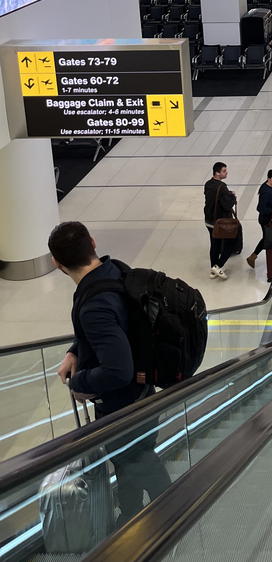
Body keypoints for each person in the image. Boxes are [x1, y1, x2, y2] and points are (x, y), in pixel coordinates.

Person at [49, 221, 171, 521]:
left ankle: (171, 513)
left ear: (57, 264)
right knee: (127, 461)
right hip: (143, 395)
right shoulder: (114, 270)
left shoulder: (94, 306)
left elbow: (118, 370)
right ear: (92, 242)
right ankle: (129, 513)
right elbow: (116, 326)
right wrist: (74, 351)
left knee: (138, 461)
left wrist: (80, 381)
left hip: (123, 406)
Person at [246, 169, 272, 271]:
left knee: (267, 237)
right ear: (268, 179)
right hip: (266, 219)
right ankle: (254, 256)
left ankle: (254, 256)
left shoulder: (269, 186)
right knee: (267, 238)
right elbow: (260, 208)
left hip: (270, 218)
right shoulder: (266, 191)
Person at [203, 161, 237, 279]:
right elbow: (227, 205)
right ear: (217, 173)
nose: (226, 173)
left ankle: (213, 270)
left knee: (214, 244)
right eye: (224, 171)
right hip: (219, 223)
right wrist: (232, 196)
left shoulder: (207, 184)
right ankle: (217, 266)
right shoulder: (222, 187)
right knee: (230, 243)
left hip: (208, 221)